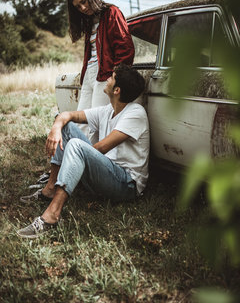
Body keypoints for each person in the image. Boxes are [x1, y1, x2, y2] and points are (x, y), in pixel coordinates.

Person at [17, 64, 149, 239]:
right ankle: (50, 189)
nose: (107, 79)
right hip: (107, 173)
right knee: (67, 127)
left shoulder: (135, 113)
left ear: (117, 90)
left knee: (76, 146)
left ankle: (52, 216)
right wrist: (57, 127)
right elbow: (67, 115)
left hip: (127, 184)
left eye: (111, 77)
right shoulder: (108, 110)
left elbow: (102, 148)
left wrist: (75, 162)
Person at [68, 0, 135, 114]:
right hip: (88, 73)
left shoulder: (111, 12)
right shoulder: (88, 22)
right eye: (77, 6)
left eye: (84, 1)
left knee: (96, 118)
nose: (82, 7)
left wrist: (116, 76)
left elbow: (125, 47)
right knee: (82, 118)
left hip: (105, 73)